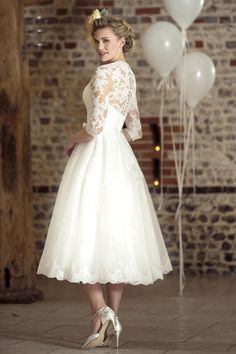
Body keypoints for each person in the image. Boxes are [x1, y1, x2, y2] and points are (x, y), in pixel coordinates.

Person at [36, 8, 173, 350]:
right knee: (113, 239)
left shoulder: (102, 75)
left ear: (123, 41)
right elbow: (136, 131)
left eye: (106, 41)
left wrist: (72, 138)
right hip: (120, 160)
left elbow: (94, 128)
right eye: (97, 41)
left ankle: (101, 313)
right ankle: (108, 323)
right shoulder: (129, 75)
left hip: (97, 157)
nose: (100, 47)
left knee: (85, 236)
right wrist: (114, 140)